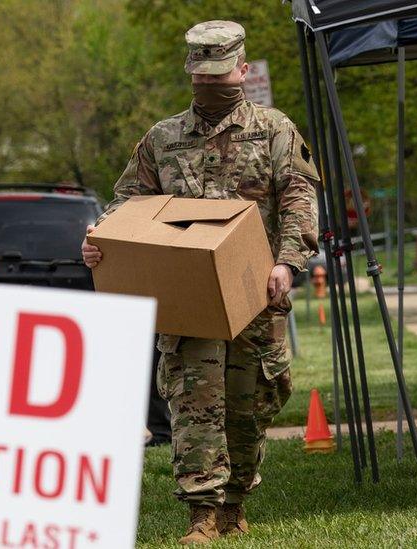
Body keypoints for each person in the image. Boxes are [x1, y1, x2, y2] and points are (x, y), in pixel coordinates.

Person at [81, 21, 319, 544]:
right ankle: (202, 514)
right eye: (203, 76)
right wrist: (101, 239)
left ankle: (235, 500)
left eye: (222, 75)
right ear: (191, 74)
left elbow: (299, 199)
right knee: (193, 402)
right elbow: (129, 205)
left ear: (243, 69)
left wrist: (288, 262)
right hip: (186, 297)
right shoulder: (162, 139)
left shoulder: (274, 130)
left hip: (256, 293)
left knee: (250, 399)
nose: (213, 86)